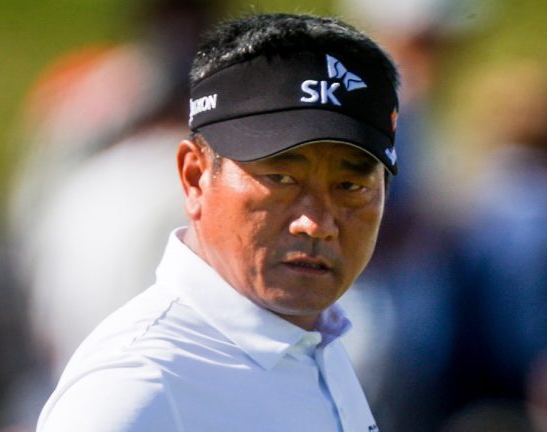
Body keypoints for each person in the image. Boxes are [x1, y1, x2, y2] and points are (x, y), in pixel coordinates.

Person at [36, 13, 399, 432]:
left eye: (350, 185)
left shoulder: (317, 343)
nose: (316, 223)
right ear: (195, 177)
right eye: (280, 178)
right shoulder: (137, 388)